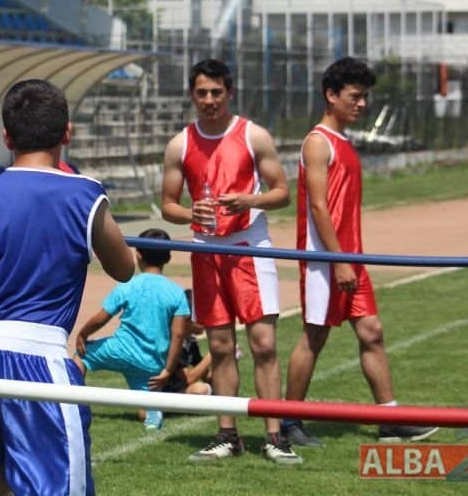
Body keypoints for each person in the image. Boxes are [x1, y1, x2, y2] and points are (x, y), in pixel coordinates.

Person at [0, 79, 135, 495]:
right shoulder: (85, 194)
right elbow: (125, 268)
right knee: (62, 487)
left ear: (6, 137)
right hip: (36, 358)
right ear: (67, 132)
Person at [282, 56, 439, 447]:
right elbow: (318, 207)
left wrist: (350, 260)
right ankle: (288, 422)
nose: (362, 103)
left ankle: (390, 419)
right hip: (327, 261)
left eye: (364, 96)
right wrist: (338, 262)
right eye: (355, 96)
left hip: (351, 259)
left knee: (372, 332)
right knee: (314, 336)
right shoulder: (318, 142)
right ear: (331, 95)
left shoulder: (344, 142)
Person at [160, 58, 301, 465]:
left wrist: (249, 200)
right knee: (221, 346)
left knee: (264, 344)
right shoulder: (180, 144)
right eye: (201, 93)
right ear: (192, 95)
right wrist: (191, 213)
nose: (209, 100)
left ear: (230, 92)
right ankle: (227, 435)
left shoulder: (253, 135)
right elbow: (168, 204)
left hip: (250, 248)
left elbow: (282, 192)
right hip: (206, 251)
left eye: (216, 92)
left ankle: (275, 436)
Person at [74, 228, 191, 431]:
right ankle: (152, 414)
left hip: (120, 350)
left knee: (81, 357)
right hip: (151, 362)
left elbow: (102, 317)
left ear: (138, 255)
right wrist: (168, 370)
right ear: (169, 257)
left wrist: (83, 334)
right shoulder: (177, 293)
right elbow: (178, 334)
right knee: (145, 408)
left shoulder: (128, 285)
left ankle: (73, 405)